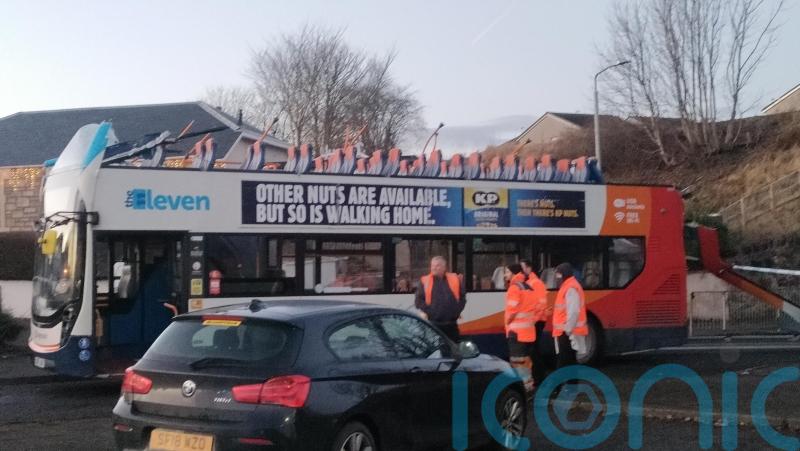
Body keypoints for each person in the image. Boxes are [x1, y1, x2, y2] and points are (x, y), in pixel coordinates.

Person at [415, 256, 466, 342]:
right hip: (433, 324)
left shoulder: (454, 279)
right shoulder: (424, 281)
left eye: (437, 265)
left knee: (454, 351)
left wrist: (456, 311)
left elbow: (462, 297)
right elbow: (418, 301)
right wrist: (431, 312)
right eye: (432, 265)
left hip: (451, 324)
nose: (434, 268)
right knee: (436, 352)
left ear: (444, 267)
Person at [504, 263, 537, 393]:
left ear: (513, 273)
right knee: (526, 361)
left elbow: (512, 310)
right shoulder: (528, 287)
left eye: (507, 272)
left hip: (516, 332)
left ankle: (522, 389)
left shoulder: (514, 288)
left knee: (517, 362)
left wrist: (507, 322)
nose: (505, 275)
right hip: (528, 332)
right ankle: (528, 386)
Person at [551, 262, 588, 375]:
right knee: (569, 362)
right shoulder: (568, 286)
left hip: (567, 333)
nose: (556, 278)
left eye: (558, 275)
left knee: (564, 362)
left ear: (563, 275)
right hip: (566, 331)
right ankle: (571, 388)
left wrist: (568, 330)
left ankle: (559, 388)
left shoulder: (570, 288)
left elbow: (573, 312)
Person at [519, 258, 549, 386]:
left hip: (537, 321)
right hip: (533, 321)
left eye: (523, 268)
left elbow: (541, 305)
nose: (522, 271)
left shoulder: (536, 284)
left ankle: (539, 378)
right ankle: (537, 377)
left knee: (534, 351)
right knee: (532, 351)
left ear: (529, 268)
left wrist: (533, 320)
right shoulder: (530, 282)